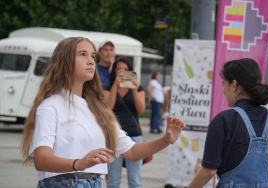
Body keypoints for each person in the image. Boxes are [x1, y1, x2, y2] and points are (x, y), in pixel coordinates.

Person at [20, 37, 186, 188]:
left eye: (92, 56)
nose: (91, 61)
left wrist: (166, 140)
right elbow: (41, 160)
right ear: (65, 62)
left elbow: (133, 152)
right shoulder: (50, 106)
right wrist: (79, 163)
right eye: (83, 54)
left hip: (95, 183)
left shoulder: (98, 109)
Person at [187, 58, 268, 188]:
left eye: (223, 84)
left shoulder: (223, 121)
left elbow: (209, 171)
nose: (223, 90)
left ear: (234, 85)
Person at [103, 57, 145, 188]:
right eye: (119, 69)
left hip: (134, 135)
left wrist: (134, 89)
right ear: (114, 71)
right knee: (113, 181)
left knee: (135, 181)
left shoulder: (138, 88)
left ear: (131, 72)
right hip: (115, 136)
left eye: (126, 70)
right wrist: (115, 85)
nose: (122, 72)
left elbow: (141, 109)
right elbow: (108, 108)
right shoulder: (107, 88)